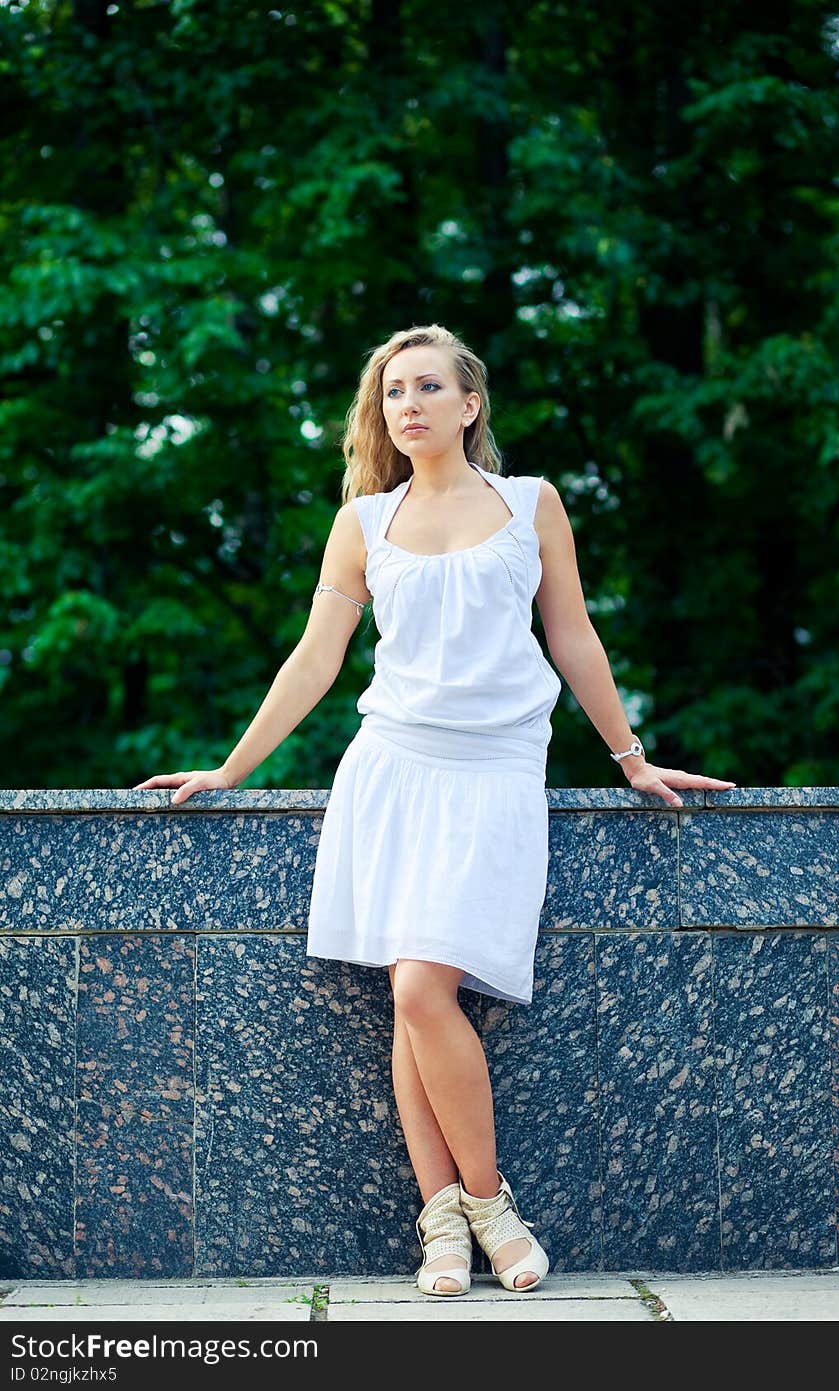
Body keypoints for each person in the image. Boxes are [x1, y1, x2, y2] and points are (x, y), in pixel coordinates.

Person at [134, 323, 737, 1297]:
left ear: (469, 404)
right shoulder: (363, 522)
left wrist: (629, 758)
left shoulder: (530, 505)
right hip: (392, 768)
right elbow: (315, 658)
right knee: (415, 995)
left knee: (420, 989)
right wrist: (231, 767)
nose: (404, 404)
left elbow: (572, 634)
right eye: (389, 392)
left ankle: (488, 1204)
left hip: (495, 767)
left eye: (425, 386)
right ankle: (446, 1226)